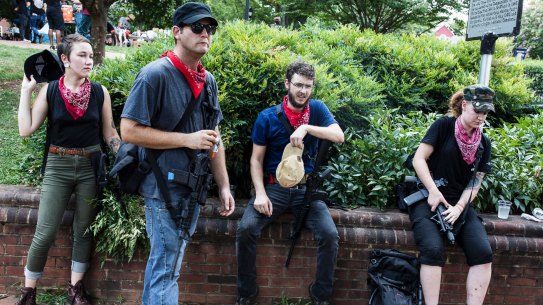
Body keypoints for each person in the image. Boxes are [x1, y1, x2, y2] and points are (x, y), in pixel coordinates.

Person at [119, 3, 235, 305]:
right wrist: (187, 139)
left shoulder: (207, 81)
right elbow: (128, 131)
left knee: (167, 269)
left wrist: (223, 185)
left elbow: (214, 137)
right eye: (197, 27)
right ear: (176, 32)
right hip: (163, 190)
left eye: (210, 29)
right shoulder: (154, 75)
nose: (205, 34)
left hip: (191, 189)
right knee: (165, 268)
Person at [16, 33, 121, 305]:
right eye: (82, 56)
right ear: (65, 59)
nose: (89, 61)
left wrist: (124, 157)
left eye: (91, 56)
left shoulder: (100, 92)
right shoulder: (50, 90)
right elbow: (26, 129)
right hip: (57, 165)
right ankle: (29, 292)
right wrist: (26, 93)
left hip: (91, 166)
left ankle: (75, 290)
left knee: (84, 230)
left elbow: (109, 132)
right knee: (45, 231)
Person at [235, 60, 344, 305]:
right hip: (274, 189)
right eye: (298, 85)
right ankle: (246, 293)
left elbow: (339, 136)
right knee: (246, 230)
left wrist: (306, 127)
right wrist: (260, 194)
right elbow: (256, 160)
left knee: (329, 235)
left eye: (308, 86)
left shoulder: (317, 110)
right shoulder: (267, 117)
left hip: (306, 189)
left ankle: (321, 296)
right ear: (287, 84)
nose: (302, 91)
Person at [408, 85, 495, 305]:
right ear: (464, 105)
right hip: (428, 197)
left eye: (485, 112)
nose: (481, 117)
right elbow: (419, 159)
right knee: (433, 250)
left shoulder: (484, 143)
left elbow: (477, 181)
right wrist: (434, 192)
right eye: (478, 110)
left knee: (483, 254)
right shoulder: (443, 126)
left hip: (460, 204)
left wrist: (459, 207)